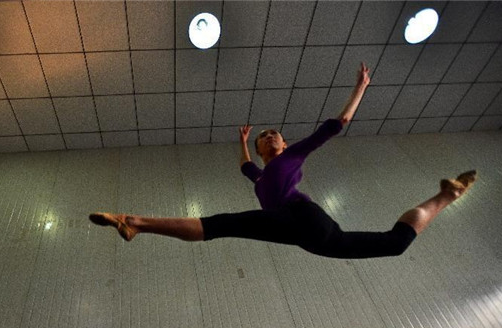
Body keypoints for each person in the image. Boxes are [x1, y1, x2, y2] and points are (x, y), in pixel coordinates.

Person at [89, 63, 477, 258]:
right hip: (309, 236)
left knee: (221, 225)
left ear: (285, 142)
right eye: (263, 137)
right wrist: (243, 142)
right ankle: (447, 197)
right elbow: (245, 169)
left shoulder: (292, 155)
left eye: (273, 133)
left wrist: (360, 87)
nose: (269, 136)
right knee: (395, 245)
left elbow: (339, 123)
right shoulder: (261, 176)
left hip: (302, 219)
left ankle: (134, 221)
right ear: (260, 150)